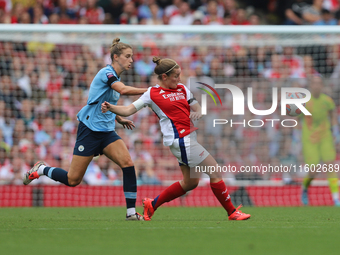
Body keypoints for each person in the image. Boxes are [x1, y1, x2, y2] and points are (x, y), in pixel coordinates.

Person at [101, 57, 251, 221]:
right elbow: (129, 109)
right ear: (164, 77)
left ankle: (152, 204)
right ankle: (231, 212)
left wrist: (198, 112)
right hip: (180, 140)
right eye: (175, 76)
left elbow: (197, 106)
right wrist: (111, 108)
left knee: (191, 182)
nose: (179, 79)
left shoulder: (182, 89)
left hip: (189, 138)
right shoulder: (152, 93)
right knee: (214, 170)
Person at [24, 38, 147, 220]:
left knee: (128, 164)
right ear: (115, 57)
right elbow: (122, 90)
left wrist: (119, 118)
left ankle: (130, 213)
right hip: (89, 130)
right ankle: (42, 169)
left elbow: (104, 104)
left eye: (132, 57)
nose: (131, 60)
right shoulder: (107, 73)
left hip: (106, 132)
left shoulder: (115, 77)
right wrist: (151, 90)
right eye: (127, 56)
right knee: (73, 180)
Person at [301, 75, 340, 206]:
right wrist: (295, 137)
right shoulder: (304, 102)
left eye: (319, 83)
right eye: (314, 83)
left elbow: (333, 116)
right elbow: (295, 119)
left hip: (325, 137)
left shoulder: (327, 101)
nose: (317, 86)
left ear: (322, 85)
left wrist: (336, 131)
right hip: (310, 138)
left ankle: (336, 198)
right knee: (314, 169)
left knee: (330, 165)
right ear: (310, 85)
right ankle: (305, 187)